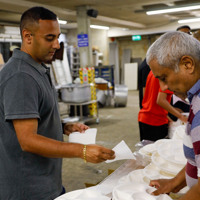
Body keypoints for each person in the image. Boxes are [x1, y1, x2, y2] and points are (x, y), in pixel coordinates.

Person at [0, 6, 115, 200]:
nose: (56, 45)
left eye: (57, 37)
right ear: (27, 37)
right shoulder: (21, 76)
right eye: (49, 38)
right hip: (26, 190)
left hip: (46, 181)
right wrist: (82, 151)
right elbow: (27, 140)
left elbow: (31, 118)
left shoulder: (37, 69)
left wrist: (62, 126)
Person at [146, 31, 200, 199]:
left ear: (187, 64)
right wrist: (174, 183)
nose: (163, 88)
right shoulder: (195, 97)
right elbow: (195, 160)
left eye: (164, 77)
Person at [138, 70, 187, 141]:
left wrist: (169, 119)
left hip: (144, 118)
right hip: (156, 122)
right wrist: (181, 116)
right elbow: (161, 100)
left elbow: (152, 101)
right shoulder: (167, 75)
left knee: (146, 149)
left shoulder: (153, 71)